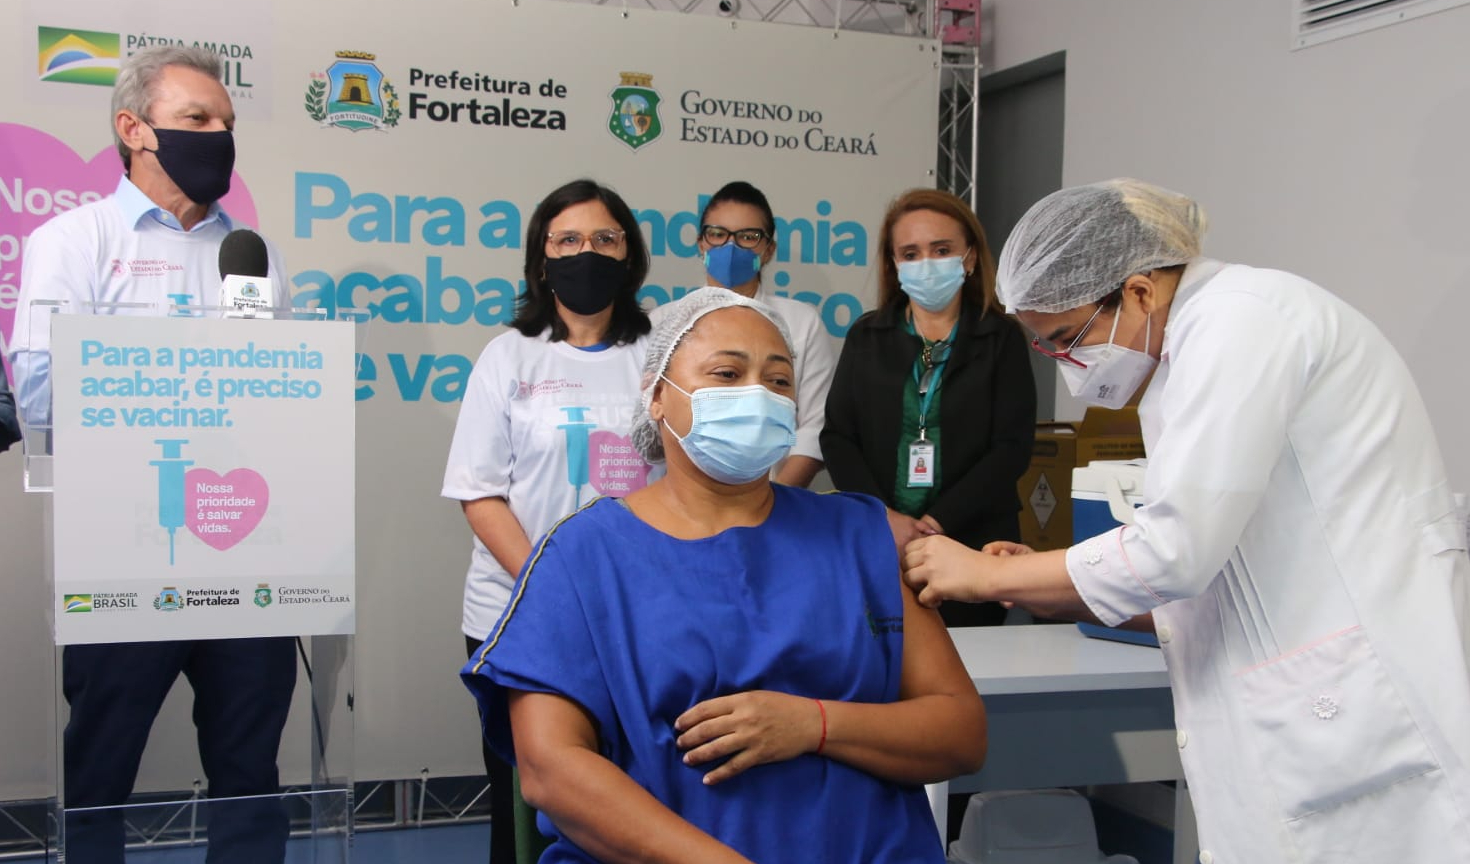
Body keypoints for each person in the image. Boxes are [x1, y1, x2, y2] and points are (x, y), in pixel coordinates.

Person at [903, 178, 1470, 862]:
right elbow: (1201, 576)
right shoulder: (1187, 352)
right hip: (1295, 711)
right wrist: (1034, 578)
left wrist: (993, 578)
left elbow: (1176, 552)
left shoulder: (1243, 321)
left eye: (1065, 338)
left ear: (1140, 292)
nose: (1065, 365)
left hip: (1349, 715)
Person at [463, 287, 986, 863]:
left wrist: (813, 724)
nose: (757, 394)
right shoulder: (582, 557)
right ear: (658, 396)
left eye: (779, 381)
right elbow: (549, 769)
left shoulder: (862, 536)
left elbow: (960, 732)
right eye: (727, 373)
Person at [7, 46, 294, 864]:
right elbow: (41, 385)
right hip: (122, 547)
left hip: (247, 548)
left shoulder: (256, 257)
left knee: (250, 764)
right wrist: (175, 395)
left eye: (227, 124)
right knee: (101, 759)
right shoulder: (75, 239)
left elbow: (281, 396)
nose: (218, 137)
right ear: (133, 129)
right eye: (196, 120)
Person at [443, 178, 656, 863]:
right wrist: (552, 581)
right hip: (517, 613)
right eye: (566, 240)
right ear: (541, 261)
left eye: (604, 239)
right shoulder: (508, 355)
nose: (585, 252)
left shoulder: (659, 358)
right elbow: (479, 493)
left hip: (634, 613)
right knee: (525, 800)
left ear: (629, 255)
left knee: (627, 799)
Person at [822, 189, 1036, 627]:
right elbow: (839, 437)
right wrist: (886, 518)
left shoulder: (1001, 337)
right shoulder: (868, 335)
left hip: (974, 546)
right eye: (911, 253)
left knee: (974, 675)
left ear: (970, 257)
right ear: (894, 264)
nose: (927, 263)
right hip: (880, 540)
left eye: (942, 250)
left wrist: (936, 523)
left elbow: (1010, 448)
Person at [651, 181, 834, 488]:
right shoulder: (663, 322)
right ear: (701, 243)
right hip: (683, 500)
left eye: (749, 237)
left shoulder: (801, 323)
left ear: (768, 249)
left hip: (774, 498)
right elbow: (653, 420)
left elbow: (815, 426)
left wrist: (776, 501)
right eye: (718, 234)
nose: (731, 246)